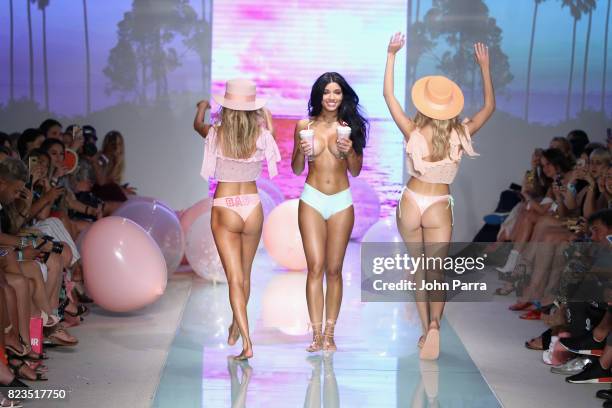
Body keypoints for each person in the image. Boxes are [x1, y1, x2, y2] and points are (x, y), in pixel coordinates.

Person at [384, 32, 495, 360]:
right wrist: (485, 68)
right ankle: (435, 324)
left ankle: (424, 332)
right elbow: (489, 107)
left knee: (418, 269)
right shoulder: (461, 133)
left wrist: (392, 54)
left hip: (411, 200)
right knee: (437, 271)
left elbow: (388, 95)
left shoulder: (413, 131)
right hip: (438, 206)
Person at [195, 79, 281, 360]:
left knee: (234, 279)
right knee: (245, 277)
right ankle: (236, 325)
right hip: (252, 207)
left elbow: (198, 125)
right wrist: (264, 112)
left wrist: (202, 108)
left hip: (226, 207)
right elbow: (273, 130)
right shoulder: (261, 135)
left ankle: (247, 343)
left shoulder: (216, 133)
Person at [291, 72, 368, 352]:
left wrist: (348, 151)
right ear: (319, 96)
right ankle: (315, 335)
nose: (332, 97)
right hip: (311, 198)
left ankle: (330, 334)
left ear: (342, 95)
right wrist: (301, 150)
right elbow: (297, 169)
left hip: (341, 201)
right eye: (326, 92)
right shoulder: (304, 125)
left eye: (337, 92)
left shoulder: (351, 126)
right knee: (315, 268)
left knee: (334, 270)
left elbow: (356, 171)